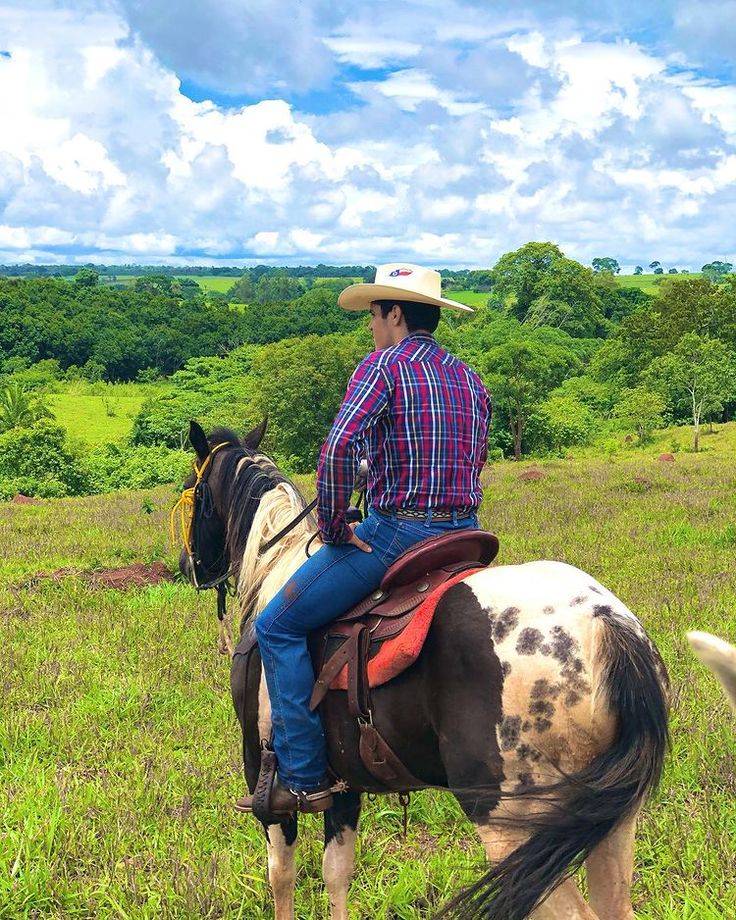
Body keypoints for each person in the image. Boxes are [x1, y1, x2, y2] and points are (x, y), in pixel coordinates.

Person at [235, 263, 492, 817]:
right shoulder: (470, 379)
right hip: (466, 535)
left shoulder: (383, 366)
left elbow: (335, 450)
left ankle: (302, 777)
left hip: (397, 533)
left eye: (374, 316)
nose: (371, 328)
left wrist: (333, 527)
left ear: (394, 314)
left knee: (276, 625)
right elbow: (470, 459)